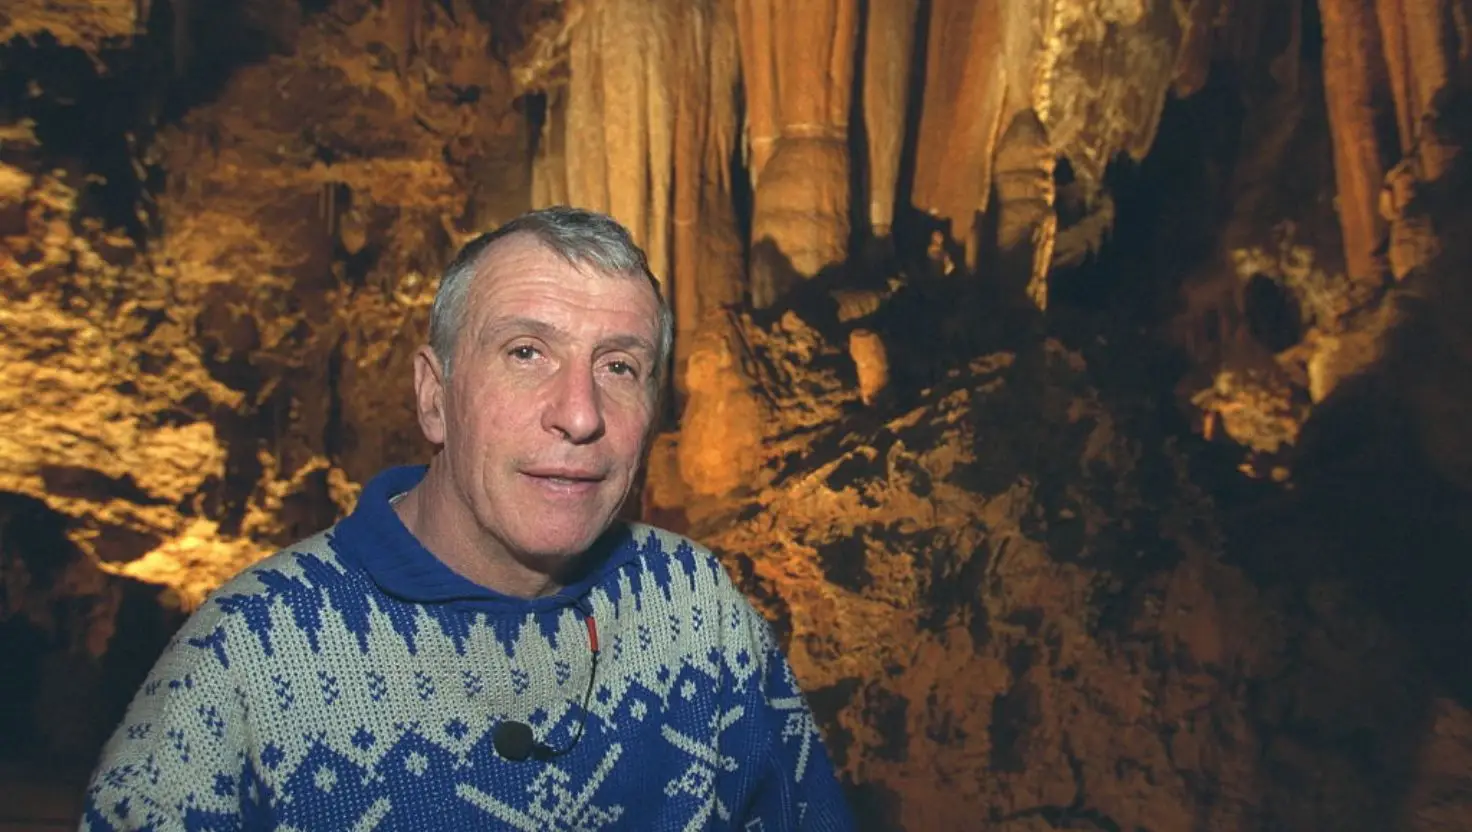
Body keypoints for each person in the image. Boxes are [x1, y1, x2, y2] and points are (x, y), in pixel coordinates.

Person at [80, 206, 855, 830]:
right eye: (527, 353)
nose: (580, 414)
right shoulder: (247, 654)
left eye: (619, 366)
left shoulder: (696, 607)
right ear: (432, 395)